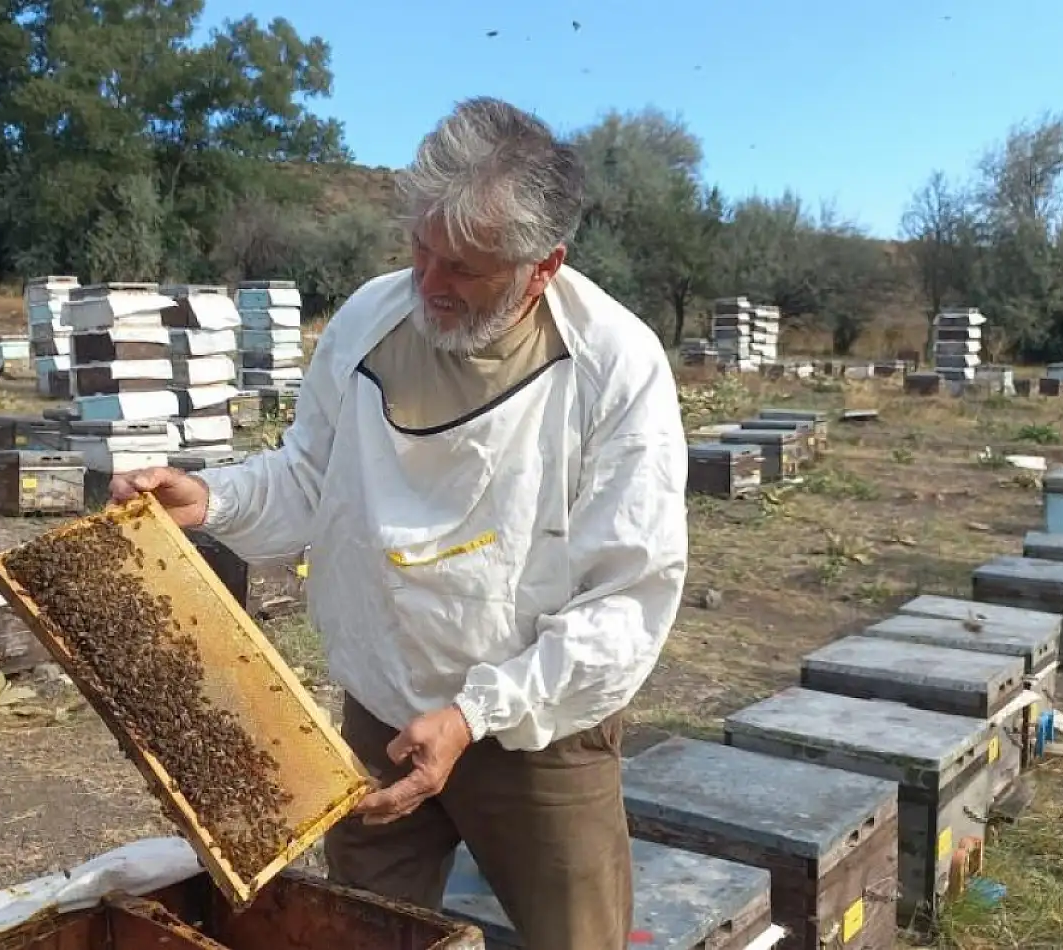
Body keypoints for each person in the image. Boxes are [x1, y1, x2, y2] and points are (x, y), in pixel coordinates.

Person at [111, 96, 688, 950]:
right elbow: (310, 475)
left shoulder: (617, 366)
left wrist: (475, 715)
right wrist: (215, 499)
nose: (429, 281)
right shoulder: (369, 321)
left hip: (537, 732)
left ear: (543, 266)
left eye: (464, 267)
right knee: (365, 936)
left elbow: (628, 598)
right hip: (381, 711)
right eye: (421, 246)